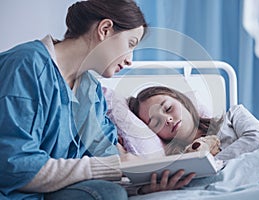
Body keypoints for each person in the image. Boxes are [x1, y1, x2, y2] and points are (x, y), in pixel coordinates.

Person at [0, 0, 192, 199]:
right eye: (130, 44)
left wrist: (140, 188)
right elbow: (12, 165)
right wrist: (110, 167)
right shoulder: (25, 66)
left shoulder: (90, 90)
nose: (129, 59)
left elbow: (104, 160)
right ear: (105, 29)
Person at [128, 86, 259, 161]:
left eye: (168, 108)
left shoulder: (234, 115)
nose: (168, 120)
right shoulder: (178, 160)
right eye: (156, 122)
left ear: (183, 101)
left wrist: (211, 164)